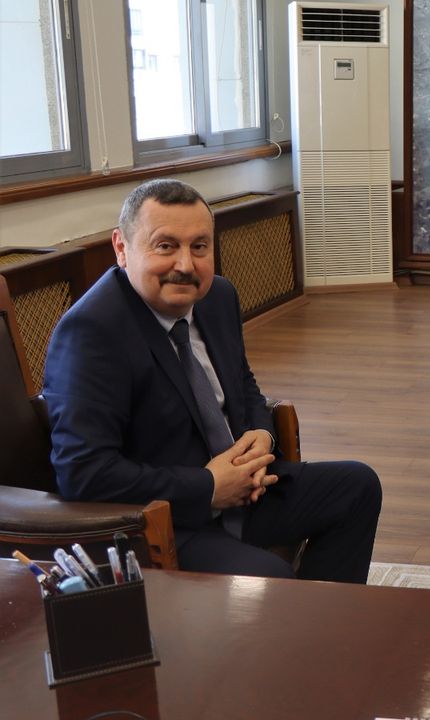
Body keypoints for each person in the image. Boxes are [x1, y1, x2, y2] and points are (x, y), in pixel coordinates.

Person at [43, 179, 382, 583]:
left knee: (358, 486)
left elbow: (244, 385)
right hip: (168, 522)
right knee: (269, 580)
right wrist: (208, 486)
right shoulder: (91, 332)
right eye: (166, 246)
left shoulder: (218, 296)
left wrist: (261, 434)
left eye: (199, 246)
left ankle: (325, 618)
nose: (186, 265)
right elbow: (83, 472)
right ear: (121, 247)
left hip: (246, 493)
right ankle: (296, 618)